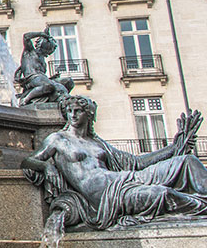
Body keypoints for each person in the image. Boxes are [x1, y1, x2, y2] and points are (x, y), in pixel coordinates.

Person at [22, 95, 207, 229]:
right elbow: (28, 161)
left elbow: (136, 163)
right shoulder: (57, 139)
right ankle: (202, 206)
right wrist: (46, 166)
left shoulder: (97, 143)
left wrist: (174, 147)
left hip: (124, 177)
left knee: (187, 161)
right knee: (161, 193)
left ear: (89, 115)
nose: (73, 115)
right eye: (69, 111)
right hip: (107, 195)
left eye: (78, 111)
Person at [14, 31, 74, 104]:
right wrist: (40, 34)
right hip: (31, 78)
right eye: (51, 48)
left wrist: (51, 78)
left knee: (68, 81)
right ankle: (26, 99)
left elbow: (42, 77)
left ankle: (63, 102)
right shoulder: (30, 52)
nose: (52, 51)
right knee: (48, 85)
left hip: (41, 78)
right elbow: (26, 36)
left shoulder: (42, 58)